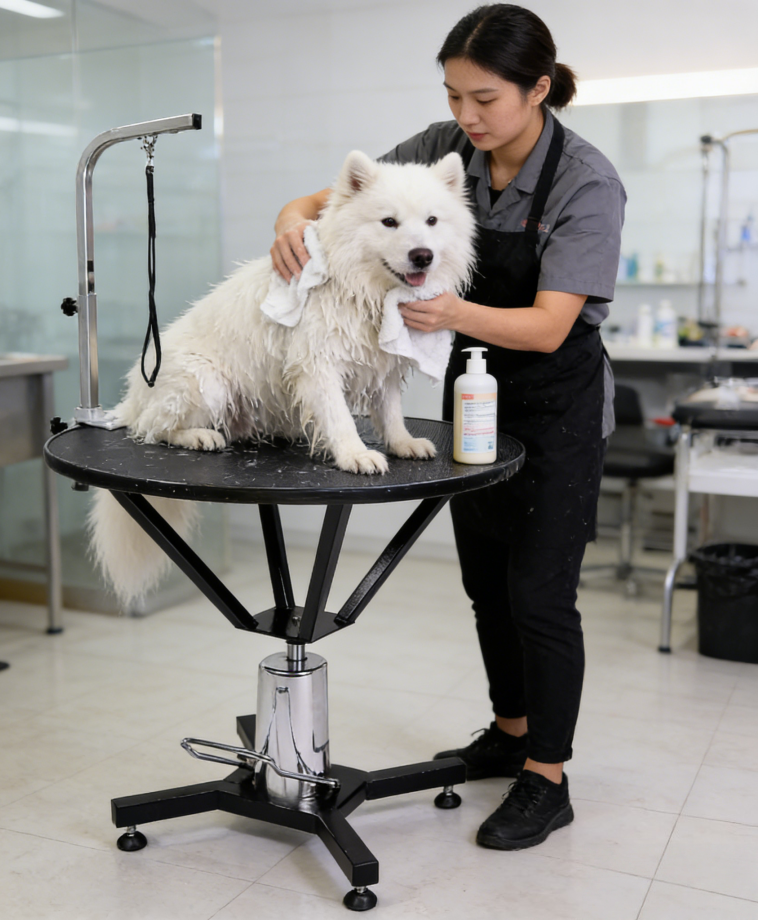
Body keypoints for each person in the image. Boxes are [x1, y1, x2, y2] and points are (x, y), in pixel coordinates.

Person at [270, 4, 625, 851]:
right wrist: (292, 221)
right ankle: (509, 733)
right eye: (455, 95)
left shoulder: (586, 182)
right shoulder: (447, 144)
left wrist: (451, 308)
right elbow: (338, 199)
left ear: (539, 90)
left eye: (486, 99)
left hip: (558, 406)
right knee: (486, 585)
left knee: (541, 595)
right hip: (472, 397)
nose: (467, 117)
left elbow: (546, 325)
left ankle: (548, 776)